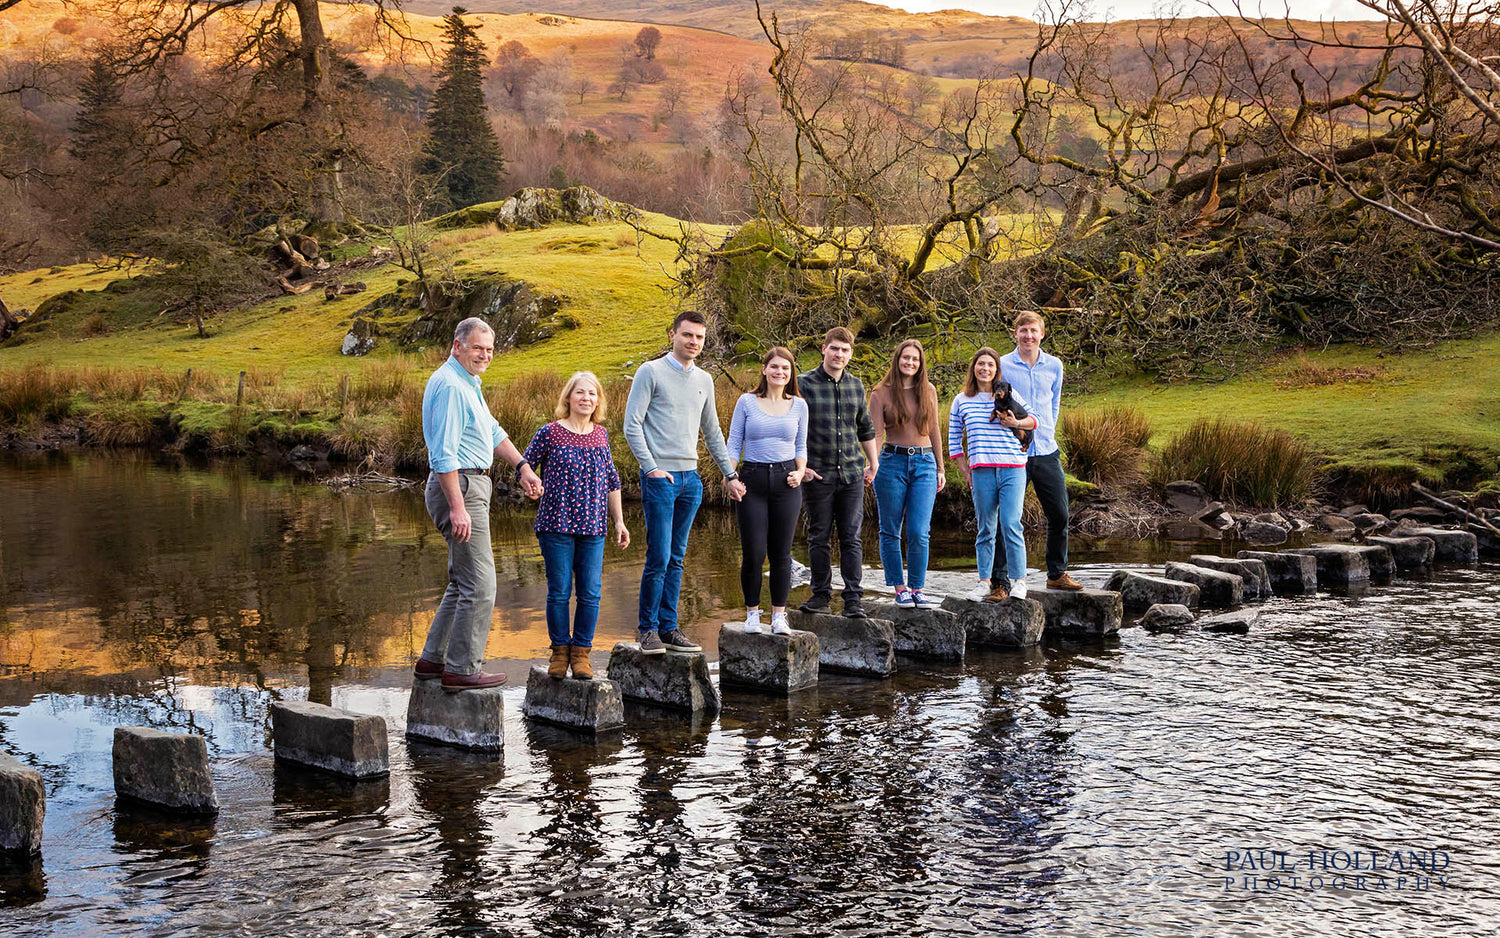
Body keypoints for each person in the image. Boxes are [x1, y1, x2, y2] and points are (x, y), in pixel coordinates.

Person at [415, 317, 543, 692]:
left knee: (463, 583)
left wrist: (522, 467)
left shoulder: (468, 383)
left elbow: (492, 431)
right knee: (482, 584)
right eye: (477, 348)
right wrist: (458, 507)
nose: (484, 355)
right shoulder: (451, 386)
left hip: (471, 485)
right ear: (458, 346)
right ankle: (461, 669)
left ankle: (432, 661)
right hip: (461, 488)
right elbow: (442, 454)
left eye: (489, 349)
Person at [623, 310, 745, 654]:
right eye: (687, 335)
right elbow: (632, 425)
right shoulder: (650, 372)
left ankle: (670, 628)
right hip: (660, 479)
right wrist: (650, 468)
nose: (693, 342)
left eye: (700, 337)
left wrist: (729, 474)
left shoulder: (704, 380)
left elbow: (712, 431)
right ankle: (647, 629)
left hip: (691, 481)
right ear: (673, 334)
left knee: (677, 558)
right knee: (658, 557)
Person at [522, 371, 630, 681]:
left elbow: (612, 481)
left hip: (594, 527)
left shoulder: (601, 435)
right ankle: (559, 652)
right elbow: (525, 465)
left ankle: (581, 654)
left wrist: (620, 521)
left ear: (598, 401)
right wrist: (531, 484)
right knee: (559, 592)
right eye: (580, 393)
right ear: (568, 397)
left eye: (592, 394)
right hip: (555, 524)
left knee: (591, 593)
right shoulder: (550, 432)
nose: (586, 398)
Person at [997, 310, 1084, 591]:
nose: (1029, 336)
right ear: (1016, 333)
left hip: (1046, 450)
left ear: (1042, 334)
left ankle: (1057, 574)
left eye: (1034, 331)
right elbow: (995, 402)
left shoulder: (1055, 365)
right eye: (1023, 331)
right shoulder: (1002, 364)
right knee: (1007, 518)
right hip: (1012, 452)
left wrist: (1045, 430)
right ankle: (999, 581)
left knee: (1059, 514)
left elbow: (1054, 402)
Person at [726, 347, 809, 636]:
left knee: (781, 553)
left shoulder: (799, 405)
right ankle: (751, 614)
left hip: (787, 482)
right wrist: (730, 477)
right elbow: (734, 443)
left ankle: (778, 616)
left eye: (785, 368)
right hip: (752, 480)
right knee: (754, 552)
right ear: (764, 369)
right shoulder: (747, 402)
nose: (779, 372)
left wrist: (800, 471)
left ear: (791, 373)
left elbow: (801, 446)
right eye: (774, 367)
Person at [798, 327, 878, 619]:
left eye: (845, 350)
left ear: (851, 354)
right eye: (834, 349)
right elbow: (792, 427)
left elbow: (865, 427)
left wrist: (873, 462)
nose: (839, 355)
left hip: (852, 474)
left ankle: (853, 598)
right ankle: (820, 595)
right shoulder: (803, 384)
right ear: (824, 349)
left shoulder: (856, 385)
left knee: (851, 537)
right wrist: (801, 466)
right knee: (819, 535)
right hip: (817, 474)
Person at [948, 346, 1038, 604]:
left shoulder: (1009, 395)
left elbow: (1034, 421)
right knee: (986, 528)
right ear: (973, 368)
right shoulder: (961, 400)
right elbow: (954, 441)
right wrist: (966, 470)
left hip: (1012, 468)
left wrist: (1015, 424)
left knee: (1011, 524)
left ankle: (1020, 581)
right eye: (980, 364)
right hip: (982, 470)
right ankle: (984, 583)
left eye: (990, 365)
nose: (985, 369)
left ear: (996, 369)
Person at [868, 339, 945, 610]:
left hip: (924, 464)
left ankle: (918, 588)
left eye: (915, 359)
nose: (910, 363)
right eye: (905, 358)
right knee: (890, 529)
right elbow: (876, 434)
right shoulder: (881, 393)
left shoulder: (929, 391)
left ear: (920, 362)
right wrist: (873, 463)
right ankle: (899, 588)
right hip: (891, 463)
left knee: (919, 531)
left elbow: (934, 429)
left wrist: (940, 466)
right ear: (897, 359)